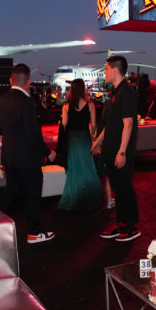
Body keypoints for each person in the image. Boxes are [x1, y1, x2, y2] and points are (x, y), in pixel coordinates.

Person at [0, 63, 56, 244]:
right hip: (28, 157)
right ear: (28, 81)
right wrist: (47, 152)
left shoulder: (0, 101)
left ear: (11, 80)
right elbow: (32, 132)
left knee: (12, 191)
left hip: (10, 156)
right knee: (33, 193)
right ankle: (33, 232)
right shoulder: (27, 102)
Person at [93, 54, 139, 242]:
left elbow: (128, 125)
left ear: (114, 69)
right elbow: (110, 125)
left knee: (125, 189)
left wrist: (121, 152)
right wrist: (97, 141)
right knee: (119, 190)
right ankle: (121, 224)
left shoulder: (127, 93)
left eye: (105, 68)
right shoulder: (115, 93)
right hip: (111, 151)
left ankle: (132, 227)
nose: (104, 72)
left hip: (122, 152)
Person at [58, 79, 104, 211]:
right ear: (83, 88)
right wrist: (94, 140)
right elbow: (94, 126)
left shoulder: (66, 106)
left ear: (72, 89)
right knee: (87, 167)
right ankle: (89, 198)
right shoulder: (90, 105)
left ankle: (75, 199)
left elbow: (64, 124)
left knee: (74, 169)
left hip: (72, 139)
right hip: (84, 138)